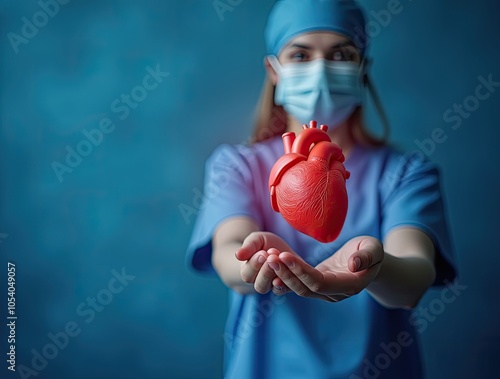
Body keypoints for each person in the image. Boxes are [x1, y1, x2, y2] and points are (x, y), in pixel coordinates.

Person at [186, 0, 456, 378]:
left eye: (340, 55)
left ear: (362, 68)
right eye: (300, 54)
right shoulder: (237, 166)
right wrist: (254, 263)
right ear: (273, 70)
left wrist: (374, 267)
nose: (320, 69)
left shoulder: (406, 174)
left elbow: (412, 278)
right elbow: (227, 251)